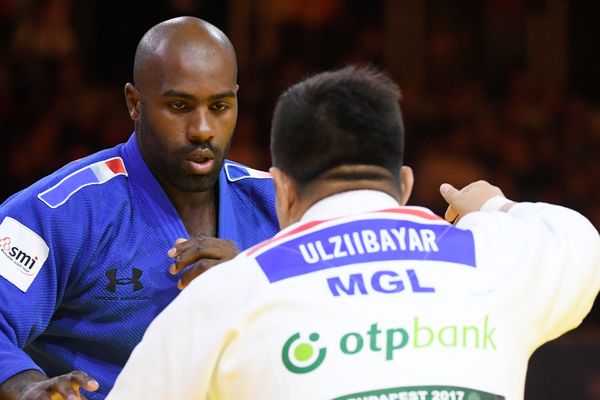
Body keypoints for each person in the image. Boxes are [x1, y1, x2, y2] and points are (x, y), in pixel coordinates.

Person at [107, 65, 600, 400]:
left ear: (281, 192)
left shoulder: (227, 293)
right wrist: (494, 207)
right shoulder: (495, 259)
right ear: (404, 184)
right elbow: (578, 237)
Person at [0, 16, 279, 400]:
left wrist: (256, 282)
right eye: (179, 105)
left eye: (219, 106)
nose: (202, 128)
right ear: (135, 102)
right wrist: (28, 386)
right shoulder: (61, 212)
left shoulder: (277, 206)